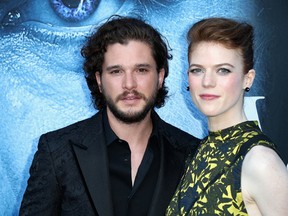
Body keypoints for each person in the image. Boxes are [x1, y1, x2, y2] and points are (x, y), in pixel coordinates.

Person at [19, 16, 199, 216]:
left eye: (141, 70)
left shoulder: (193, 154)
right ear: (99, 81)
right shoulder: (57, 151)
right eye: (116, 71)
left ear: (159, 77)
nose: (129, 84)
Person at [166, 17, 288, 215]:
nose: (207, 82)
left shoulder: (260, 161)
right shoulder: (200, 151)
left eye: (223, 70)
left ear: (247, 79)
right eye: (197, 70)